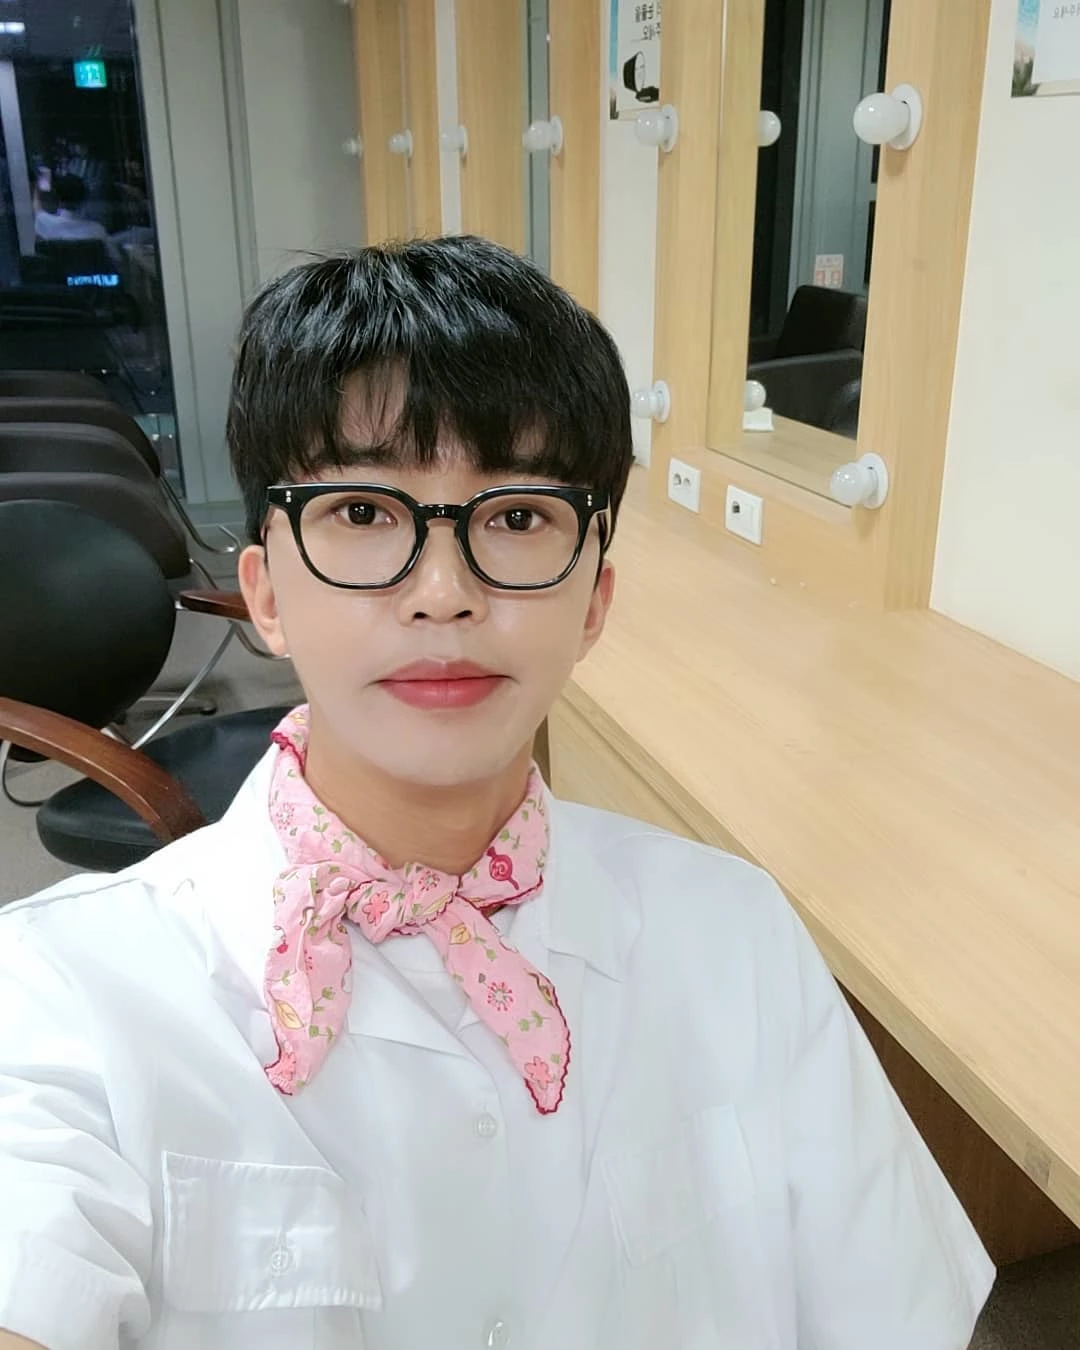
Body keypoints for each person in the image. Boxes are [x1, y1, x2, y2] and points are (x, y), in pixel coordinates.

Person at [0, 236, 994, 1350]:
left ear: (595, 601)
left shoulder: (739, 934)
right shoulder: (57, 994)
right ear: (266, 593)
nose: (444, 592)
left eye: (518, 517)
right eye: (363, 513)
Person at [33, 173, 112, 251]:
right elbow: (114, 256)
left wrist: (38, 184)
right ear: (84, 198)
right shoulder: (98, 231)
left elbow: (37, 207)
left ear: (56, 198)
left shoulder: (43, 222)